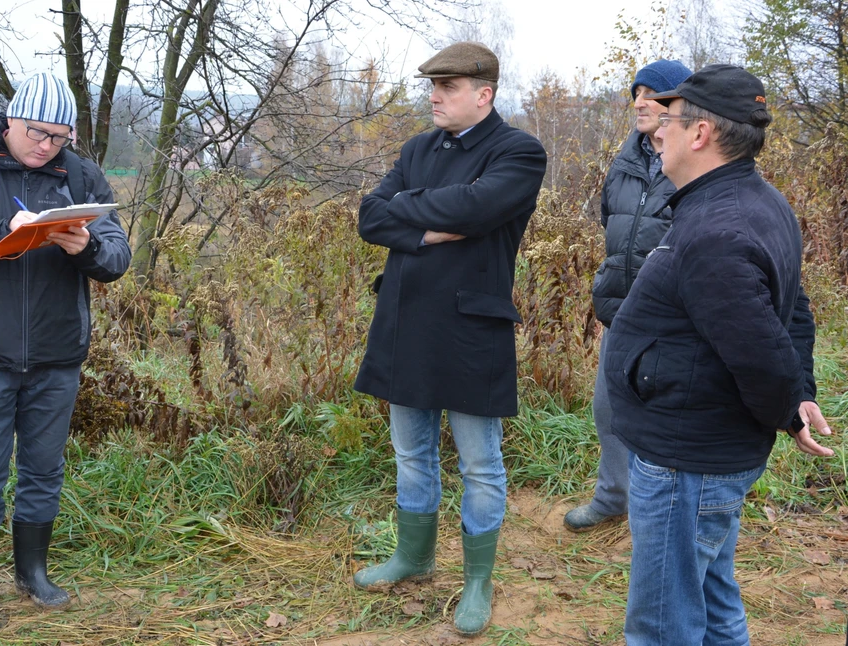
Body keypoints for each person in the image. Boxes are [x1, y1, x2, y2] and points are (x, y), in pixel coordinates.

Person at [603, 64, 835, 645]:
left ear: (700, 134)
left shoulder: (717, 228)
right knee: (710, 593)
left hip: (689, 459)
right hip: (704, 450)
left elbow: (761, 348)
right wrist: (799, 395)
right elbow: (794, 309)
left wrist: (787, 404)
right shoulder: (757, 201)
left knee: (662, 623)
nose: (657, 132)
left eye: (669, 121)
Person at [0, 72, 132, 636]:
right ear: (10, 121)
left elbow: (118, 255)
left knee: (43, 470)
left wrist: (86, 248)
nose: (46, 145)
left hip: (57, 356)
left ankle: (32, 571)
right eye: (37, 132)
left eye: (59, 137)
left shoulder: (80, 172)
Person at [351, 42, 546, 636]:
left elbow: (476, 207)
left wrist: (407, 209)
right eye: (432, 86)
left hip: (469, 331)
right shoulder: (417, 148)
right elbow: (369, 217)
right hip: (404, 324)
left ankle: (477, 581)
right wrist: (426, 230)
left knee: (480, 465)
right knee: (411, 453)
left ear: (484, 94)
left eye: (449, 86)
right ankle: (414, 557)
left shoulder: (518, 151)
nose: (434, 95)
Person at [564, 59, 692, 533]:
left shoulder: (694, 160)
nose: (639, 102)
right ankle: (613, 496)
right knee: (608, 406)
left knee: (664, 415)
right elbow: (610, 220)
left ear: (679, 102)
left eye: (651, 94)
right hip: (623, 305)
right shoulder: (627, 157)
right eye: (635, 92)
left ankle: (659, 513)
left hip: (674, 314)